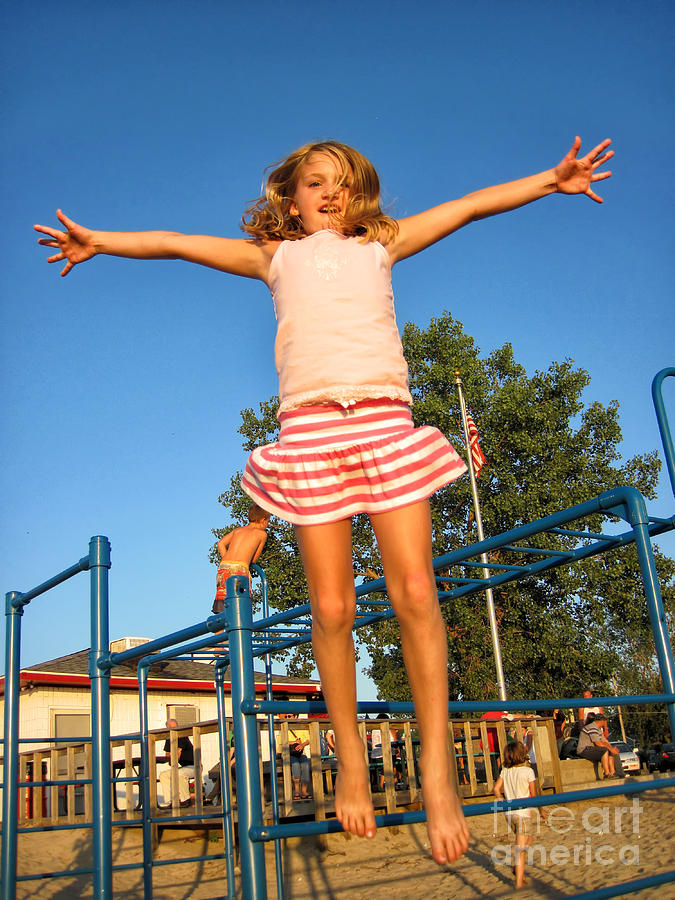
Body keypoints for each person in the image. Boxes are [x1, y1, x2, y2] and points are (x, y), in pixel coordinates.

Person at [35, 135, 612, 865]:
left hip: (383, 419)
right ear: (291, 197)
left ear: (358, 194)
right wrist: (101, 242)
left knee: (413, 593)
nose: (329, 193)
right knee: (332, 608)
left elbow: (467, 207)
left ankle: (437, 776)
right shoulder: (273, 257)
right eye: (315, 183)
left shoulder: (382, 244)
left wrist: (548, 180)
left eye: (342, 183)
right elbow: (176, 243)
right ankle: (348, 767)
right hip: (308, 432)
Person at [493, 741, 547, 890]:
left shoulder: (505, 771)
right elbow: (534, 795)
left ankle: (517, 867)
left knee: (527, 839)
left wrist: (502, 802)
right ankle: (518, 882)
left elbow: (496, 789)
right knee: (521, 849)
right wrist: (541, 810)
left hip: (509, 813)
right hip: (523, 813)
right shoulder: (528, 771)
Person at [212, 503, 270, 614]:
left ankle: (219, 631)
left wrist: (228, 561)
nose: (267, 525)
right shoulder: (262, 534)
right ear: (263, 519)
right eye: (268, 522)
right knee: (240, 605)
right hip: (240, 569)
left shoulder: (238, 531)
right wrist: (237, 564)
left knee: (221, 605)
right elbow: (253, 559)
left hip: (224, 566)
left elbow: (221, 544)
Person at [159, 718, 195, 807]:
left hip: (194, 767)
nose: (174, 730)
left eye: (175, 727)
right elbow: (168, 756)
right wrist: (170, 756)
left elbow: (176, 755)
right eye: (171, 727)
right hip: (183, 767)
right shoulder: (169, 738)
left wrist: (171, 756)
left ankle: (185, 800)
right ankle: (170, 801)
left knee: (179, 773)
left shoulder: (181, 735)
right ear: (167, 728)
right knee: (163, 775)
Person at [576, 712, 623, 778]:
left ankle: (613, 773)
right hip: (584, 749)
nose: (604, 724)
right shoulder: (592, 727)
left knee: (610, 751)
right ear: (601, 721)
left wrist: (612, 749)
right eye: (604, 722)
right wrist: (610, 748)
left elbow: (604, 741)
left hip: (592, 749)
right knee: (605, 750)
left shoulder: (598, 729)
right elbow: (598, 743)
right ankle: (607, 773)